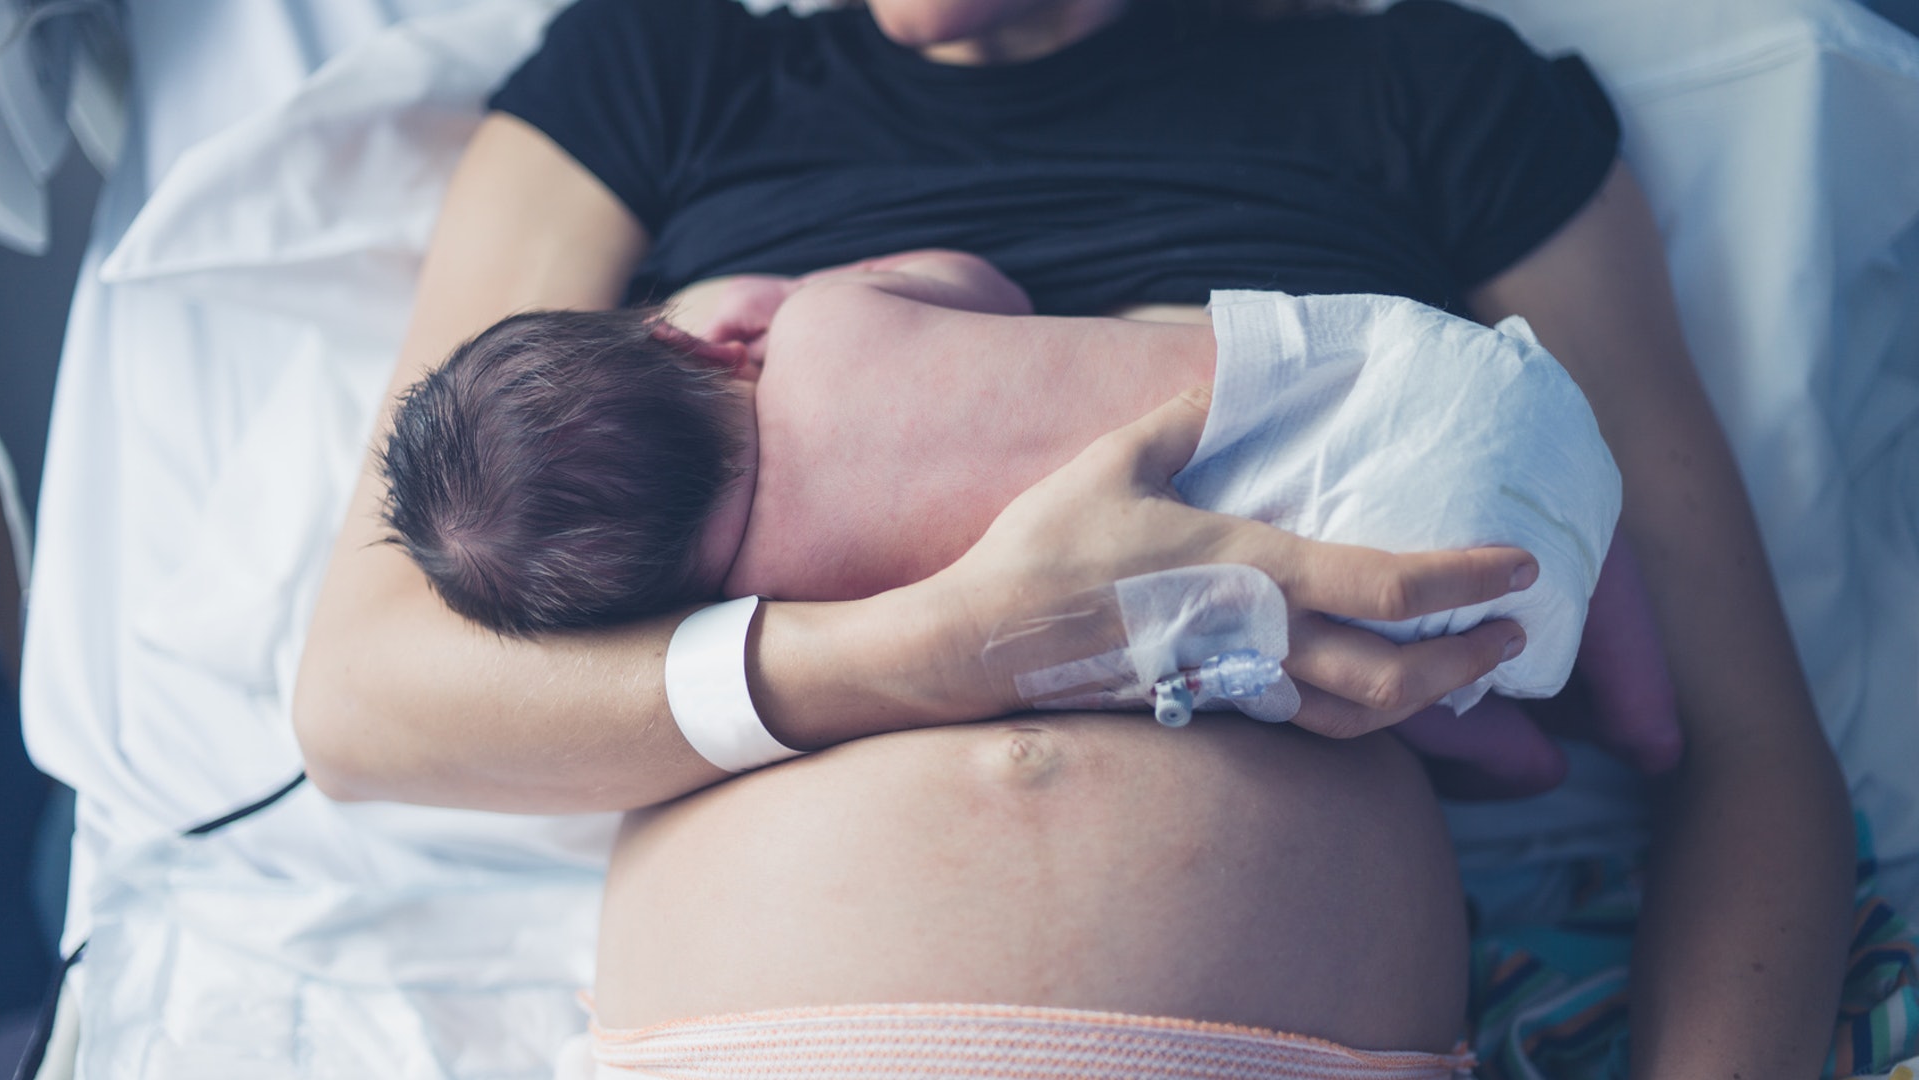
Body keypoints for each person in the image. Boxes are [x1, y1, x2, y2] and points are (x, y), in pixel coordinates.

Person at [290, 0, 1852, 1076]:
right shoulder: (662, 74)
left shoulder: (1438, 100)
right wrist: (932, 648)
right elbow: (369, 698)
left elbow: (1744, 749)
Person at [380, 248, 1678, 792]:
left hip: (1302, 582)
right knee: (1542, 467)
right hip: (1410, 379)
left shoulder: (791, 608)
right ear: (717, 337)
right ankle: (1647, 699)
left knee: (1412, 688)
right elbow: (980, 287)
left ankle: (1548, 752)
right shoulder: (817, 322)